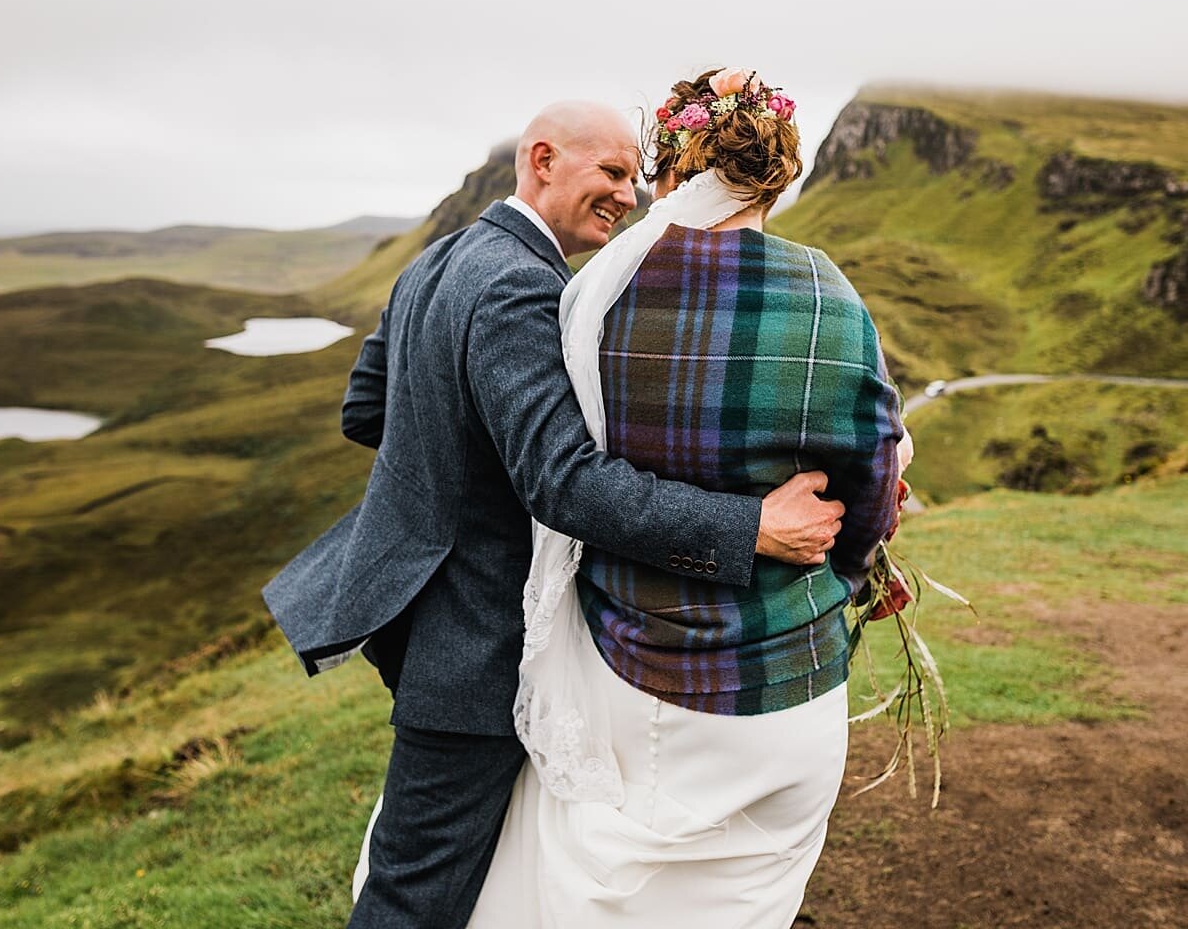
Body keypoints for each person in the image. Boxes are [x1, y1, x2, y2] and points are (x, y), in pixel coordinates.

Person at [261, 99, 849, 929]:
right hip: (473, 645)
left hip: (437, 631)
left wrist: (450, 476)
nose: (626, 194)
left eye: (635, 176)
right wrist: (748, 527)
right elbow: (564, 483)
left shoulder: (439, 259)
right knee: (413, 896)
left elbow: (367, 410)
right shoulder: (520, 286)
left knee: (435, 876)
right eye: (609, 171)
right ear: (542, 160)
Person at [465, 68, 909, 928]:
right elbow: (874, 480)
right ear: (777, 172)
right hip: (787, 682)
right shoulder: (831, 297)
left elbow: (570, 476)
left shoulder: (601, 292)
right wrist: (845, 572)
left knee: (607, 891)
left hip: (638, 667)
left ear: (670, 164)